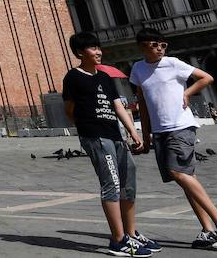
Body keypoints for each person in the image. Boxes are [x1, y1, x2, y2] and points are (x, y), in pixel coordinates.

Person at [129, 29, 217, 251]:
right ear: (142, 46)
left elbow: (206, 78)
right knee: (186, 179)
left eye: (163, 45)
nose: (160, 48)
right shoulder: (138, 69)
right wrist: (147, 136)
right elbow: (142, 103)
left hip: (181, 126)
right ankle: (208, 231)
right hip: (160, 131)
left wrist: (188, 93)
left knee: (178, 173)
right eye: (155, 44)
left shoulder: (173, 63)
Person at [63, 31, 155, 257]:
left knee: (128, 182)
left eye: (98, 47)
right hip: (96, 136)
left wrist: (134, 133)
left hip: (115, 135)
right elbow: (69, 110)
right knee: (111, 184)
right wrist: (87, 126)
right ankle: (118, 240)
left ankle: (130, 233)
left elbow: (117, 106)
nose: (98, 52)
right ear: (79, 53)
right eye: (92, 48)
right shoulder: (73, 77)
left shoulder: (104, 77)